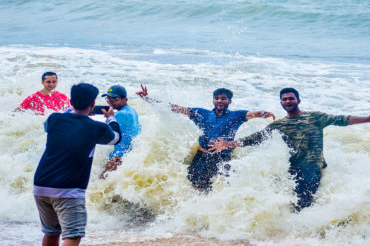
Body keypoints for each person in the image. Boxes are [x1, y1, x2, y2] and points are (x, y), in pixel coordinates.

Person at [209, 87, 370, 211]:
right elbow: (255, 138)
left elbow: (341, 119)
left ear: (298, 101)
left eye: (291, 98)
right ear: (281, 103)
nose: (288, 101)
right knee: (294, 204)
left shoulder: (315, 117)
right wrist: (229, 144)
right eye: (284, 99)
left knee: (304, 203)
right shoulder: (280, 124)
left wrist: (367, 119)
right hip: (292, 169)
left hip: (312, 167)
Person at [33, 83, 121, 246]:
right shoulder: (97, 127)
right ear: (92, 105)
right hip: (68, 190)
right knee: (72, 236)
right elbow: (116, 138)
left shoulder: (54, 119)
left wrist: (70, 110)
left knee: (51, 233)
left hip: (41, 185)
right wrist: (111, 118)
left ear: (71, 101)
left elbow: (50, 125)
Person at [136, 84, 275, 191]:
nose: (220, 100)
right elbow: (174, 108)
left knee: (223, 188)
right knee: (196, 187)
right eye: (217, 98)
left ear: (229, 101)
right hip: (202, 156)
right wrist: (148, 99)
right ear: (213, 100)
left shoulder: (236, 115)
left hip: (223, 157)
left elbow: (253, 114)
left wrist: (265, 113)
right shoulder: (201, 113)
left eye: (223, 98)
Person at [99, 85, 141, 179]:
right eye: (108, 98)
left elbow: (106, 136)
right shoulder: (132, 110)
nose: (110, 101)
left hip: (118, 158)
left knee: (102, 184)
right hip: (130, 156)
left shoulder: (119, 114)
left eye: (114, 98)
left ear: (124, 99)